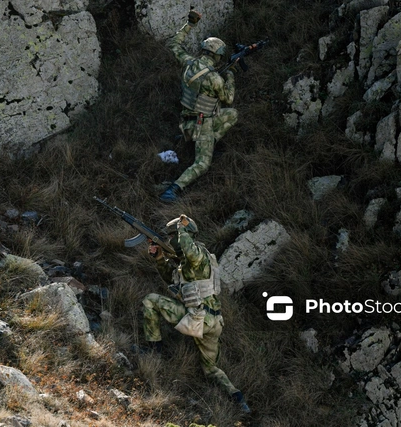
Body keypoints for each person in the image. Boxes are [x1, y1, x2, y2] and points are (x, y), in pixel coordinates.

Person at [142, 214, 250, 413]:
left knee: (150, 300)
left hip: (198, 320)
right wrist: (159, 257)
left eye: (172, 236)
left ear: (185, 235)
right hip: (213, 322)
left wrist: (181, 229)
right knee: (211, 370)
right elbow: (170, 278)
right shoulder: (189, 264)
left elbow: (190, 251)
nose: (171, 240)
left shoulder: (198, 254)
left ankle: (154, 352)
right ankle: (237, 396)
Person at [160, 10, 238, 202]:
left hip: (185, 120)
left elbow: (174, 44)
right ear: (217, 56)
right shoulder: (215, 79)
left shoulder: (188, 63)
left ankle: (196, 140)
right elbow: (228, 98)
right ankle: (173, 189)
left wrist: (190, 24)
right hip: (202, 124)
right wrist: (231, 75)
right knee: (203, 164)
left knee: (232, 114)